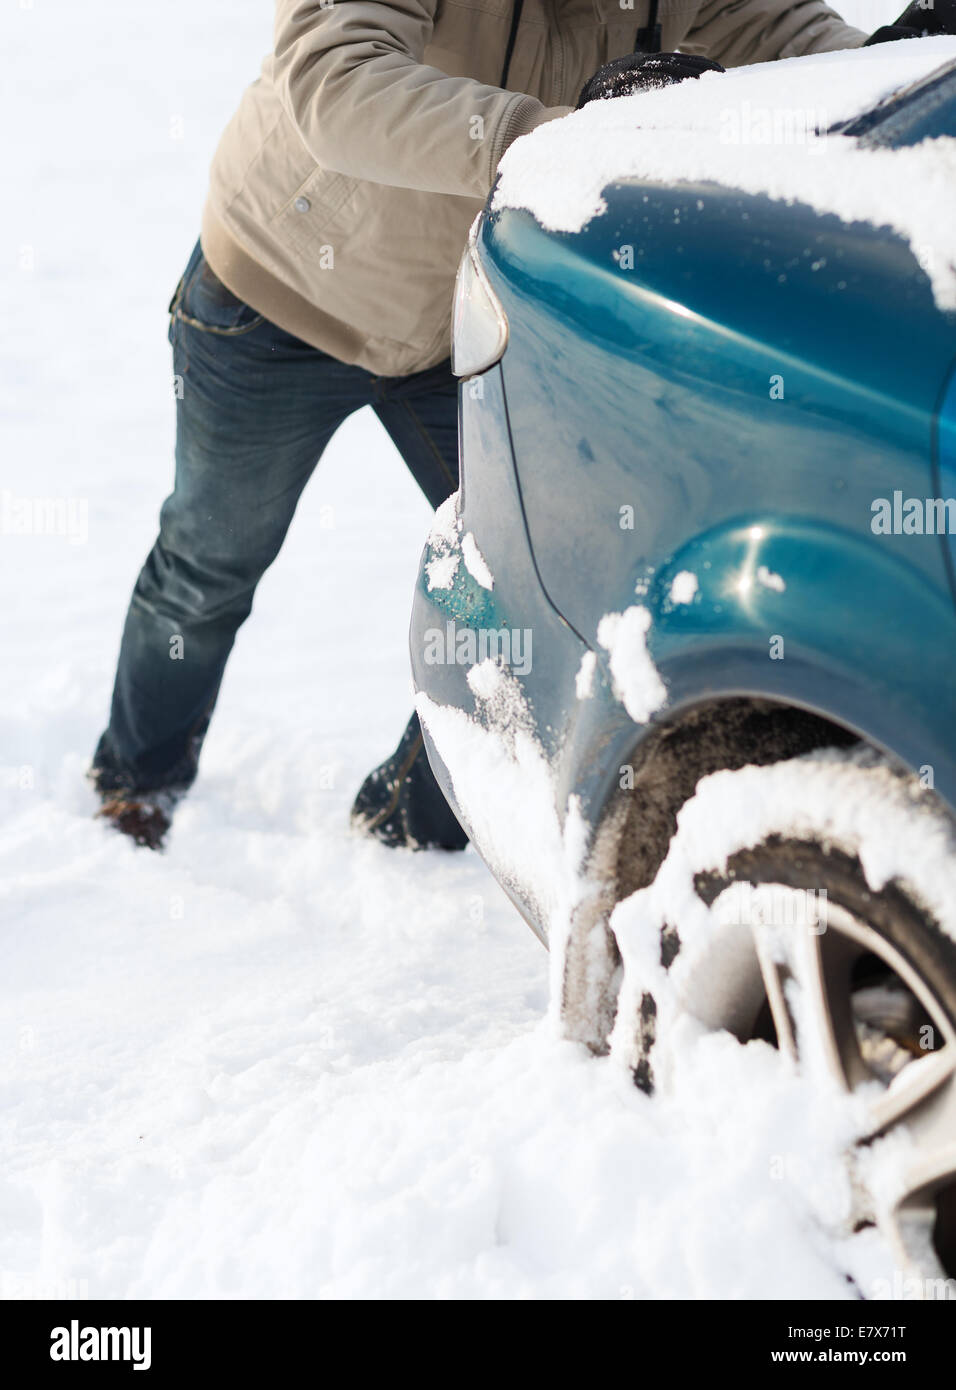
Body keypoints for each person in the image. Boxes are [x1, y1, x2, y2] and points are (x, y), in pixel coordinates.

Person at [90, 0, 952, 850]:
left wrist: (884, 64)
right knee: (208, 566)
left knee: (514, 581)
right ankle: (136, 781)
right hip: (277, 299)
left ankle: (408, 820)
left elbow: (776, 31)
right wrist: (557, 139)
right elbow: (335, 79)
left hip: (452, 320)